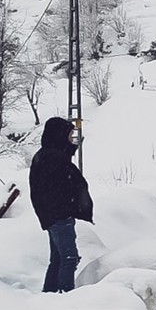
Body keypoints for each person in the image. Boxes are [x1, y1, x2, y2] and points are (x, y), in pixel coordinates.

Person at [29, 117, 93, 293]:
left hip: (53, 216)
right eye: (68, 134)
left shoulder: (47, 155)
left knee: (57, 258)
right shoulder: (53, 158)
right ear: (59, 135)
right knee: (69, 258)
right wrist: (66, 210)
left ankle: (49, 294)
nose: (71, 138)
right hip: (59, 216)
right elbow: (58, 188)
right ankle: (66, 296)